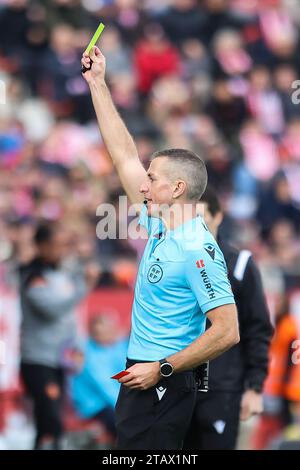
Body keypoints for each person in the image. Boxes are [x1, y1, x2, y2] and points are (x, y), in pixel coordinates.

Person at [81, 46, 239, 450]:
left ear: (178, 189)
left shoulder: (196, 248)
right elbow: (123, 154)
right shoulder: (159, 222)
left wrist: (163, 369)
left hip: (162, 381)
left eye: (152, 179)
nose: (144, 185)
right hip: (142, 373)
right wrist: (98, 83)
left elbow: (228, 330)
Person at [184, 186, 273, 450]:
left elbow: (257, 329)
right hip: (176, 383)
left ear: (218, 216)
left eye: (201, 219)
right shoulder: (169, 261)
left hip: (222, 386)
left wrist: (255, 387)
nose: (195, 228)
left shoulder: (240, 264)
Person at [19, 223, 94, 450]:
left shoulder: (63, 273)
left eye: (64, 245)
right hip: (38, 360)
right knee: (50, 420)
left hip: (60, 359)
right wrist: (85, 286)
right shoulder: (32, 276)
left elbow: (71, 318)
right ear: (42, 246)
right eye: (56, 245)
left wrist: (78, 347)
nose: (62, 250)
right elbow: (53, 310)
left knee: (49, 424)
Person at [70, 314, 129, 441]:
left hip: (116, 401)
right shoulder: (86, 353)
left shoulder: (120, 347)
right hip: (95, 405)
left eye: (107, 330)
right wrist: (126, 407)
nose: (104, 335)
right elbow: (104, 385)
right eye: (98, 333)